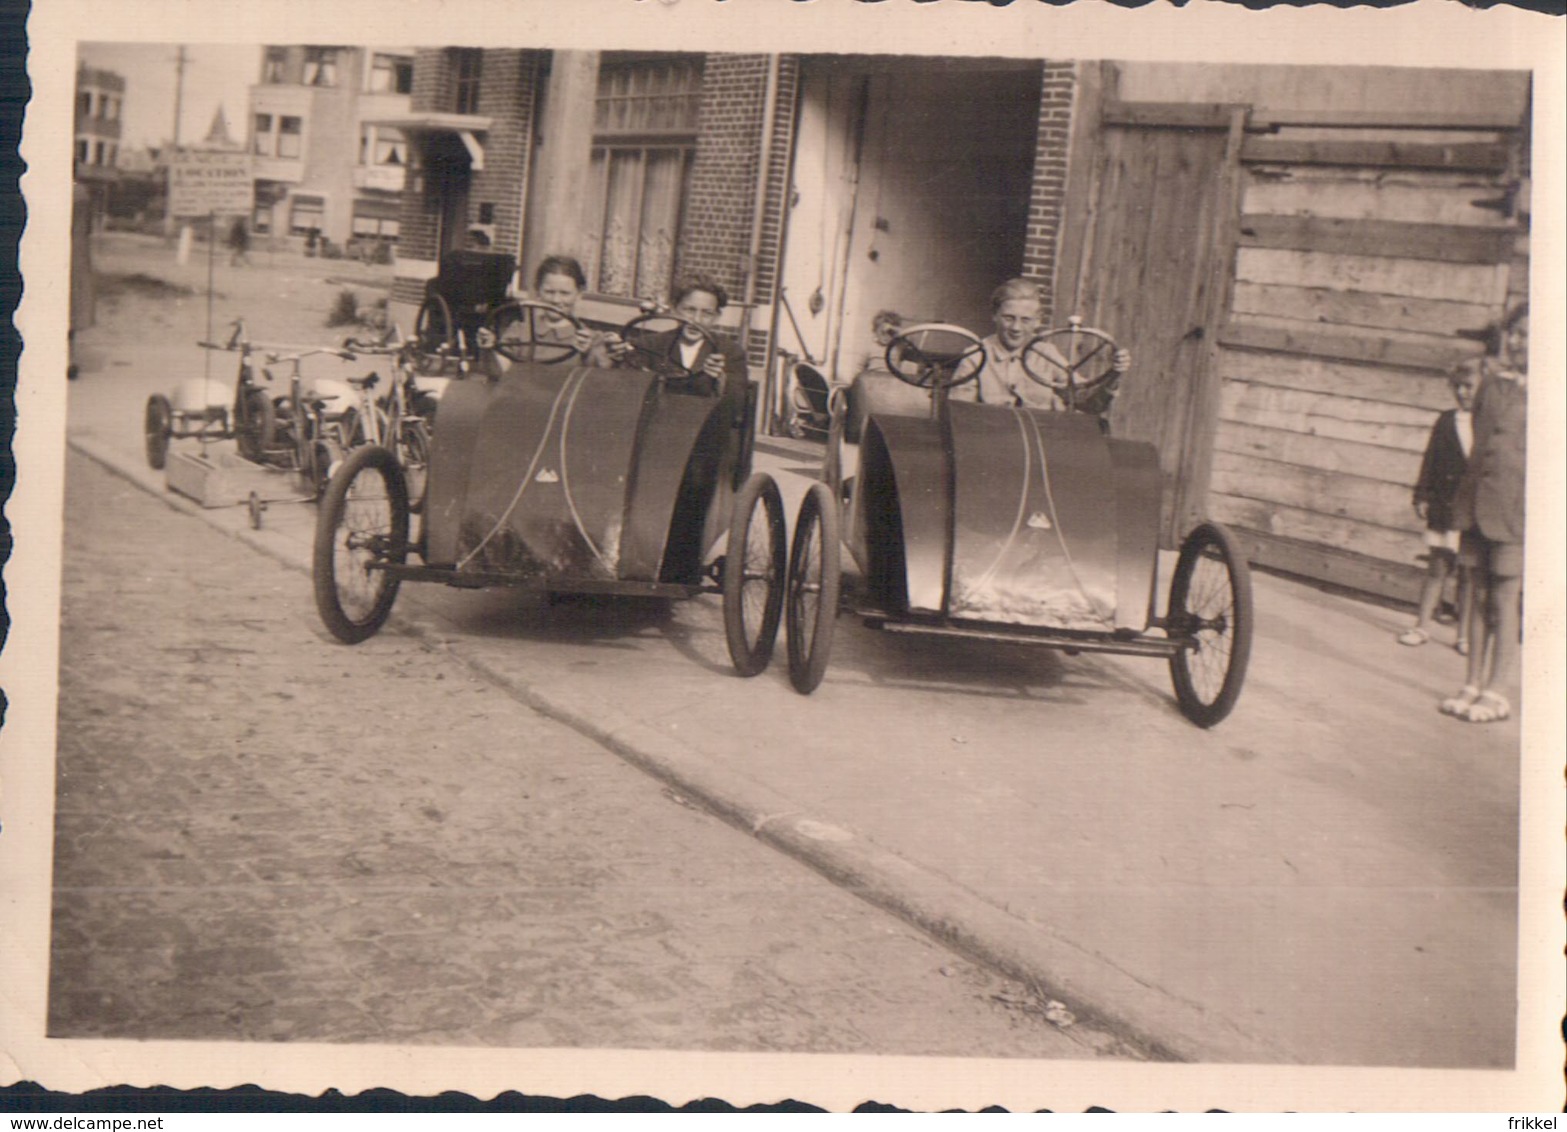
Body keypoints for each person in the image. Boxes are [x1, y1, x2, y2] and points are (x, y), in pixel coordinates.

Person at [1441, 304, 1527, 724]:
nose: (1517, 343)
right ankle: (1472, 681)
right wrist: (1462, 504)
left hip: (1517, 514)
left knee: (1504, 600)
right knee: (1474, 594)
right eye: (1513, 335)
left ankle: (1498, 689)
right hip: (1477, 506)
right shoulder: (1492, 385)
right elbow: (1477, 450)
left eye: (1528, 336)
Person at [951, 278, 1130, 419]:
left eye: (1025, 320)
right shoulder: (975, 357)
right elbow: (960, 415)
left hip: (1041, 442)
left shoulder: (1046, 354)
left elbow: (1088, 403)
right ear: (994, 316)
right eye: (1008, 318)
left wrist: (1113, 373)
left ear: (1038, 321)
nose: (1016, 328)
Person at [1398, 363, 1479, 651]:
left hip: (1473, 509)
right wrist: (1422, 494)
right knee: (1438, 567)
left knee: (1469, 575)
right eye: (1457, 386)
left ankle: (1464, 634)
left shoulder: (1489, 423)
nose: (1462, 392)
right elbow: (1430, 460)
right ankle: (1421, 626)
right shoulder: (1447, 420)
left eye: (1468, 386)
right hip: (1445, 504)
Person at [477, 254, 615, 371]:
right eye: (549, 292)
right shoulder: (520, 330)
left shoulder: (591, 338)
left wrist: (588, 353)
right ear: (538, 291)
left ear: (578, 294)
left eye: (565, 293)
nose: (556, 300)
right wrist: (490, 348)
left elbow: (598, 380)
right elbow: (500, 372)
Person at [622, 274, 747, 396]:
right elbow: (628, 389)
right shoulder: (649, 345)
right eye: (690, 310)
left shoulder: (730, 352)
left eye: (707, 313)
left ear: (716, 317)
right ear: (675, 309)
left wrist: (721, 381)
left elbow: (737, 403)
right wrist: (610, 360)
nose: (697, 320)